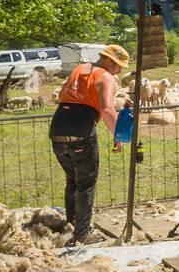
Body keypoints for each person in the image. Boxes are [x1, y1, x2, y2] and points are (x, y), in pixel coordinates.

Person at [48, 44, 130, 244]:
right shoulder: (106, 76)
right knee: (85, 183)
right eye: (119, 66)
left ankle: (70, 228)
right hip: (81, 129)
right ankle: (82, 234)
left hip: (58, 127)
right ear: (109, 61)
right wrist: (118, 135)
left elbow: (61, 96)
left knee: (72, 180)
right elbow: (108, 109)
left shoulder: (79, 69)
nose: (119, 70)